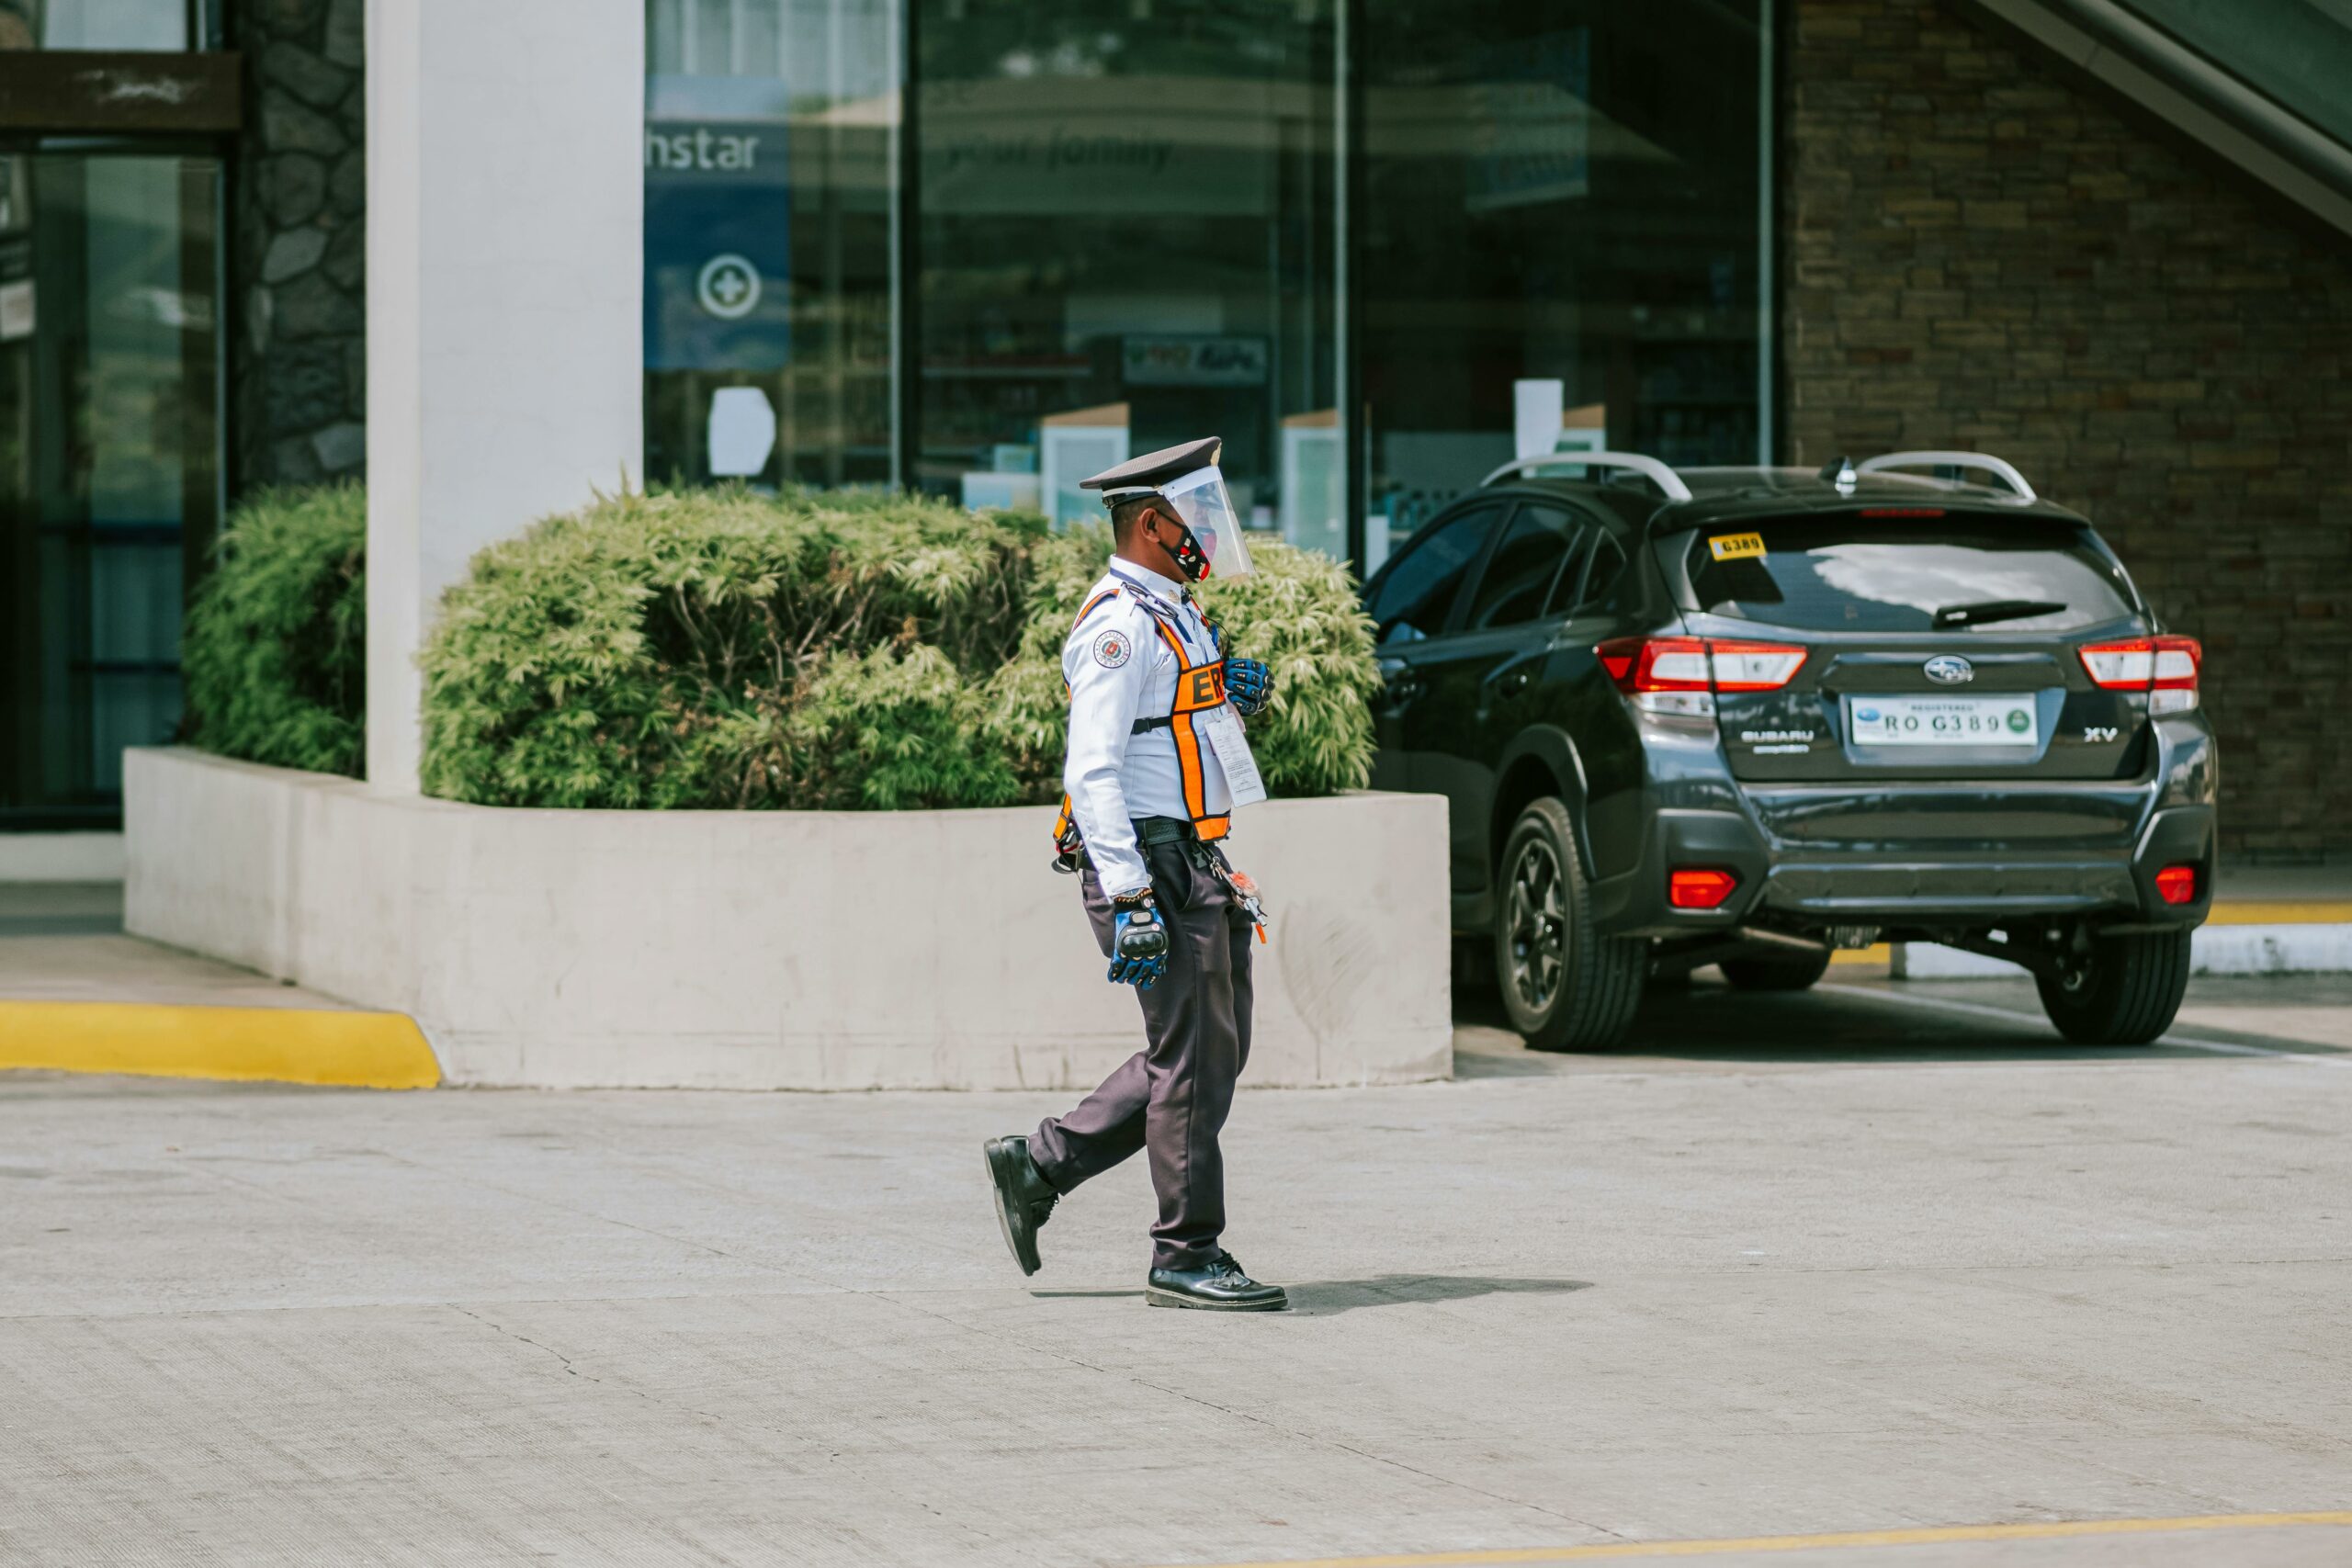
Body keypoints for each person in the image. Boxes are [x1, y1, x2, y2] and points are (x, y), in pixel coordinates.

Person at [982, 436, 1288, 1312]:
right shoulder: (1118, 622)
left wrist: (1224, 688)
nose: (1208, 528)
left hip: (1192, 854)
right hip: (1148, 862)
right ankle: (1186, 1253)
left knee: (1209, 1051)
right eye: (1194, 513)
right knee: (1191, 1060)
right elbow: (1094, 772)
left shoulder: (1175, 611)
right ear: (1151, 522)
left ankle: (1040, 1163)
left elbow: (1174, 723)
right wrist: (1130, 897)